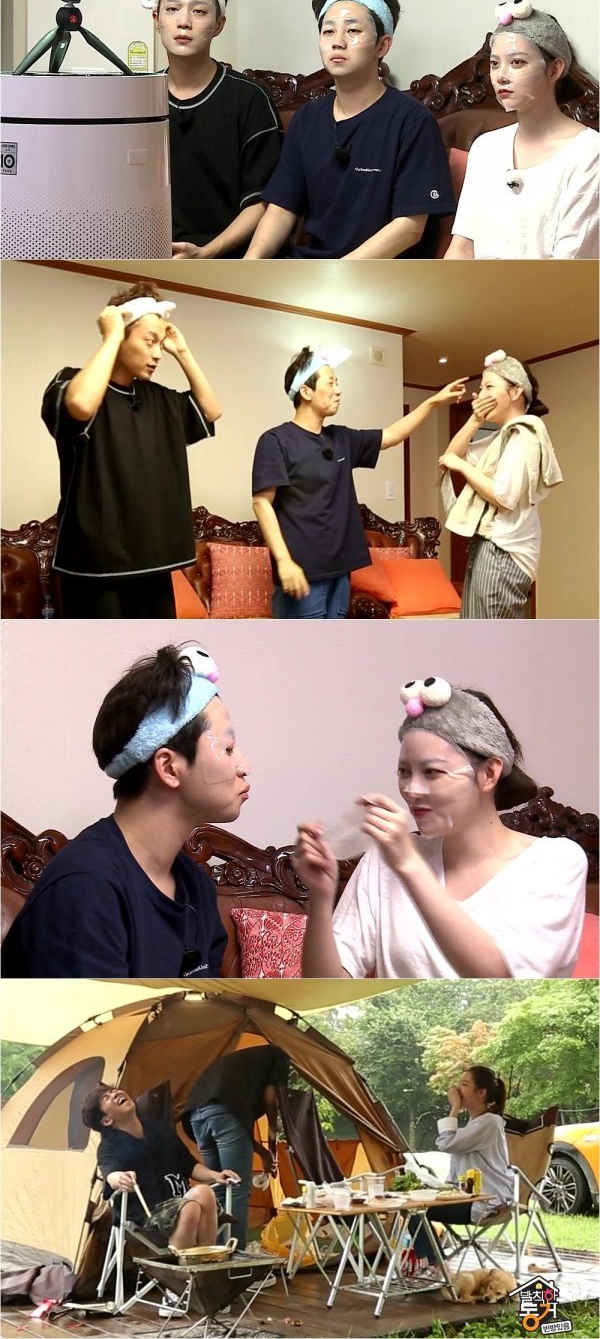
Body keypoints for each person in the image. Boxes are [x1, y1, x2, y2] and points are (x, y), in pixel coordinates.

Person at [296, 677, 587, 978]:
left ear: (489, 773)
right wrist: (321, 897)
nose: (411, 790)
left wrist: (409, 865)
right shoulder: (383, 862)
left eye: (432, 772)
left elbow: (503, 983)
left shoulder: (555, 863)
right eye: (404, 772)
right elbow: (328, 990)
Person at [2, 643, 251, 978]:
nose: (244, 766)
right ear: (169, 768)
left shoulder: (196, 888)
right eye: (229, 748)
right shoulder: (86, 888)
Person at [42, 281, 222, 618]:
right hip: (95, 566)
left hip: (154, 561)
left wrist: (182, 352)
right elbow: (81, 405)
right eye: (149, 341)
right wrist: (111, 336)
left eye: (160, 344)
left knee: (153, 645)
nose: (157, 354)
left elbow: (211, 411)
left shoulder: (159, 399)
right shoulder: (72, 382)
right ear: (122, 334)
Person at [245, 0, 454, 258]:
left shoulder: (412, 121)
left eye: (353, 31)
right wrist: (251, 263)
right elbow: (282, 208)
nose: (338, 42)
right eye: (328, 31)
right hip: (310, 269)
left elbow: (410, 227)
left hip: (379, 274)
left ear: (383, 45)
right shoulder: (307, 119)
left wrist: (339, 273)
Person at [251, 345, 465, 618]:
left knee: (338, 643)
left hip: (341, 571)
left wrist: (433, 402)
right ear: (306, 391)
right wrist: (284, 562)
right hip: (303, 573)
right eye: (331, 383)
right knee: (305, 646)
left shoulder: (341, 438)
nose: (338, 390)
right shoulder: (275, 441)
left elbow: (392, 435)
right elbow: (261, 503)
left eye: (337, 383)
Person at [138, 0, 283, 258]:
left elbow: (263, 201)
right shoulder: (137, 99)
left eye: (199, 11)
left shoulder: (249, 99)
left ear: (219, 24)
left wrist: (206, 253)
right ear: (156, 19)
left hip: (228, 259)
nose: (184, 22)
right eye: (172, 9)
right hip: (150, 257)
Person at [445, 1, 599, 260]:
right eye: (495, 64)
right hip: (476, 286)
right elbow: (462, 247)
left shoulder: (588, 152)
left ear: (554, 69)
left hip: (552, 286)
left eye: (517, 62)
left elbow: (568, 266)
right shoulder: (485, 147)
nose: (501, 76)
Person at [438, 350, 562, 619]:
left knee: (494, 637)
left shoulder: (524, 435)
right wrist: (475, 419)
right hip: (489, 545)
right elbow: (450, 456)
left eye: (489, 387)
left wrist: (463, 467)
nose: (480, 394)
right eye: (481, 388)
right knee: (476, 633)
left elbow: (504, 496)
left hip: (504, 551)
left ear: (516, 391)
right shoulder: (502, 437)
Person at [82, 1083, 241, 1255]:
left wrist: (216, 1175)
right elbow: (110, 1174)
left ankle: (205, 1259)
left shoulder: (160, 1129)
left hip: (179, 1201)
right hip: (146, 1215)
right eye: (107, 1098)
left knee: (204, 1192)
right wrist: (120, 1178)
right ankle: (182, 1268)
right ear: (106, 1120)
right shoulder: (108, 1147)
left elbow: (189, 1165)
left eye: (113, 1091)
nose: (115, 1094)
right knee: (189, 1208)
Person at [182, 1046, 291, 1248]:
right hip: (224, 1111)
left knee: (219, 1186)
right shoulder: (278, 1055)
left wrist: (264, 1153)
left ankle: (215, 1252)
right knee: (236, 1187)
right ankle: (236, 1256)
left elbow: (239, 1130)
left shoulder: (248, 1063)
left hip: (195, 1115)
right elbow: (270, 1097)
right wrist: (273, 1124)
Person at [407, 1067, 513, 1271]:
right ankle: (435, 1262)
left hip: (485, 1201)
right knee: (413, 1204)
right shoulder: (476, 1123)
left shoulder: (489, 1123)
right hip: (467, 1196)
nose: (458, 1089)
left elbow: (446, 1143)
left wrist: (454, 1108)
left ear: (481, 1093)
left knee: (414, 1211)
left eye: (464, 1084)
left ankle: (437, 1265)